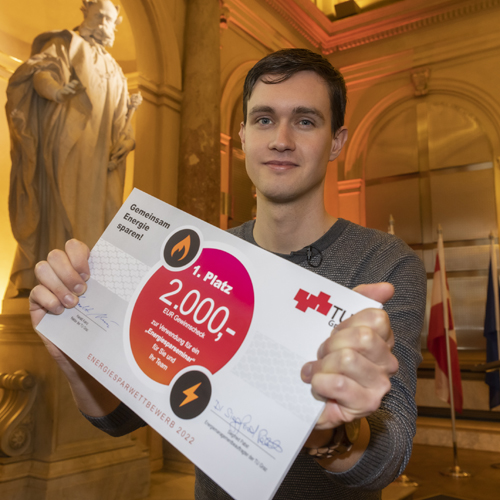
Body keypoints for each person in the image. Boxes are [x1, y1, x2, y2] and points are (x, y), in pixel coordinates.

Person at [29, 49, 426, 499]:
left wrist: (327, 433)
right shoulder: (202, 259)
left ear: (336, 142)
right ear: (241, 137)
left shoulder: (384, 265)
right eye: (263, 119)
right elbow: (123, 417)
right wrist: (72, 353)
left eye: (305, 121)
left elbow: (389, 456)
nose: (280, 139)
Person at [6, 0, 142, 297]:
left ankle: (87, 282)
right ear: (87, 11)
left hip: (100, 161)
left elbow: (121, 118)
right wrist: (55, 90)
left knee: (98, 216)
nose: (106, 25)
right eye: (101, 17)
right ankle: (50, 278)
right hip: (66, 146)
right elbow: (37, 73)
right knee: (61, 210)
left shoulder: (114, 68)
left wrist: (128, 139)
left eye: (111, 20)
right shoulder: (66, 44)